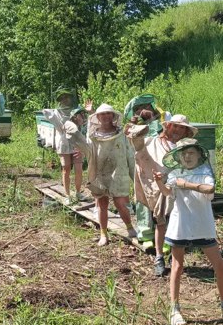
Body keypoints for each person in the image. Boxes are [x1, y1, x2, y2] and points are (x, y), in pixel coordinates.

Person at [153, 138, 223, 325]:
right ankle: (175, 309)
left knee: (219, 265)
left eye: (191, 153)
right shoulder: (175, 174)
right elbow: (168, 192)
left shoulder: (205, 172)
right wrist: (159, 183)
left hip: (203, 225)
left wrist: (186, 184)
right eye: (184, 153)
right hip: (181, 225)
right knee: (177, 267)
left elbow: (209, 188)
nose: (187, 156)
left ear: (198, 155)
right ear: (178, 156)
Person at [126, 114, 196, 277]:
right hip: (160, 189)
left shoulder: (186, 145)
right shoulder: (154, 142)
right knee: (161, 222)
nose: (178, 130)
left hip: (181, 188)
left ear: (186, 131)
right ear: (168, 126)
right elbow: (142, 156)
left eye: (182, 127)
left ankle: (175, 257)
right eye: (175, 126)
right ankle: (159, 258)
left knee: (180, 224)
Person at [65, 103, 136, 246]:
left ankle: (130, 228)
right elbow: (89, 150)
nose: (105, 116)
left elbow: (129, 154)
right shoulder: (92, 134)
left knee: (121, 203)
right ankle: (103, 234)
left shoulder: (122, 133)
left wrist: (134, 177)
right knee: (102, 204)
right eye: (102, 114)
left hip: (119, 171)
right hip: (100, 171)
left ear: (113, 116)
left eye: (108, 113)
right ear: (97, 117)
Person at [124, 94, 172, 252]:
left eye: (146, 107)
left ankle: (168, 236)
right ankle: (145, 235)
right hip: (143, 164)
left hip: (163, 163)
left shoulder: (165, 118)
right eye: (138, 109)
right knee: (142, 198)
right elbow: (131, 141)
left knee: (165, 199)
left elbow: (172, 134)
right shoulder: (132, 125)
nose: (143, 110)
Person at [41, 88, 91, 202]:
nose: (65, 100)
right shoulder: (57, 112)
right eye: (62, 98)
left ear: (71, 98)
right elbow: (49, 115)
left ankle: (78, 193)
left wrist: (83, 144)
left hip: (77, 143)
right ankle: (68, 196)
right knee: (66, 169)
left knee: (78, 169)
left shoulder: (78, 110)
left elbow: (85, 126)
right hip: (63, 143)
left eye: (66, 97)